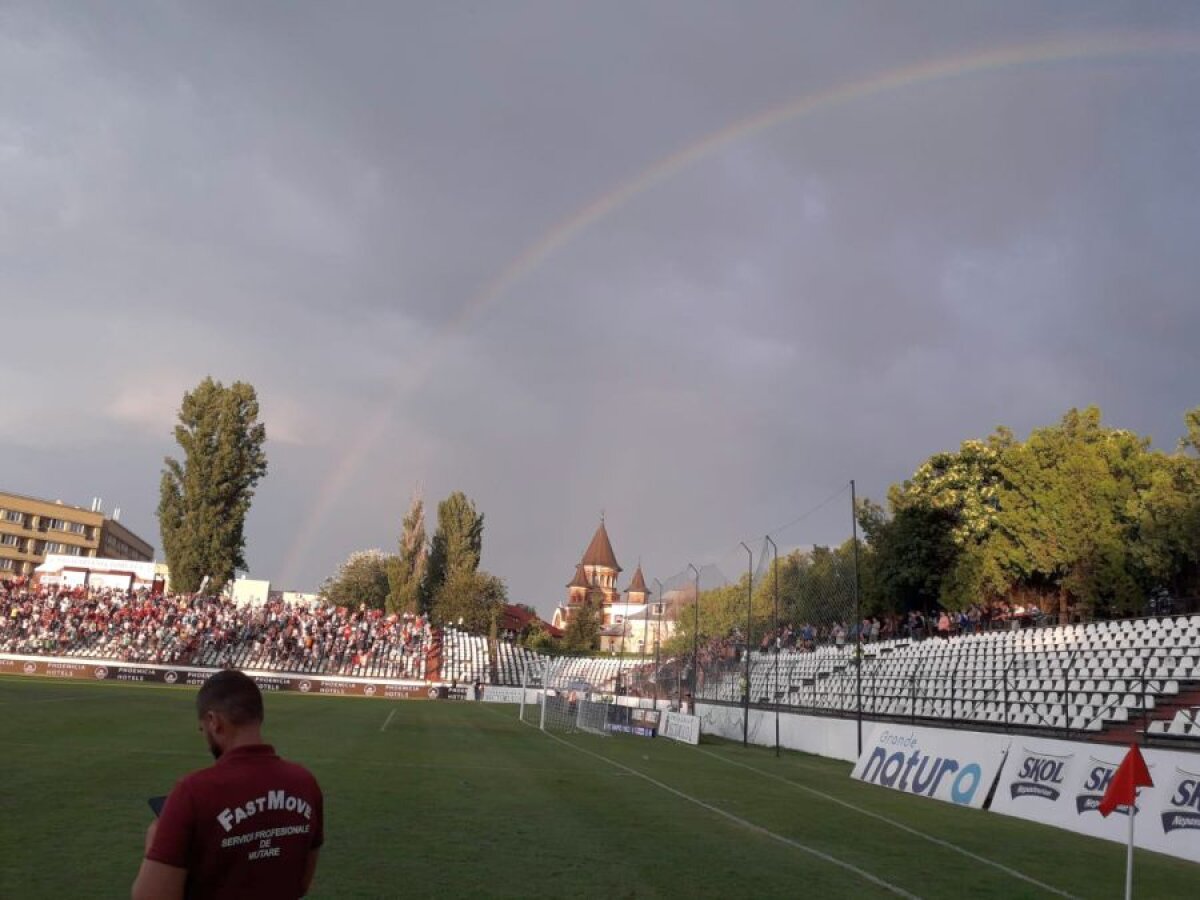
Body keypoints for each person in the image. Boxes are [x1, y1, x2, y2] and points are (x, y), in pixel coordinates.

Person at [132, 670, 324, 900]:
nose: (202, 732)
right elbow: (301, 884)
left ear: (214, 722)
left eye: (202, 725)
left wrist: (155, 843)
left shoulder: (193, 792)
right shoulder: (305, 783)